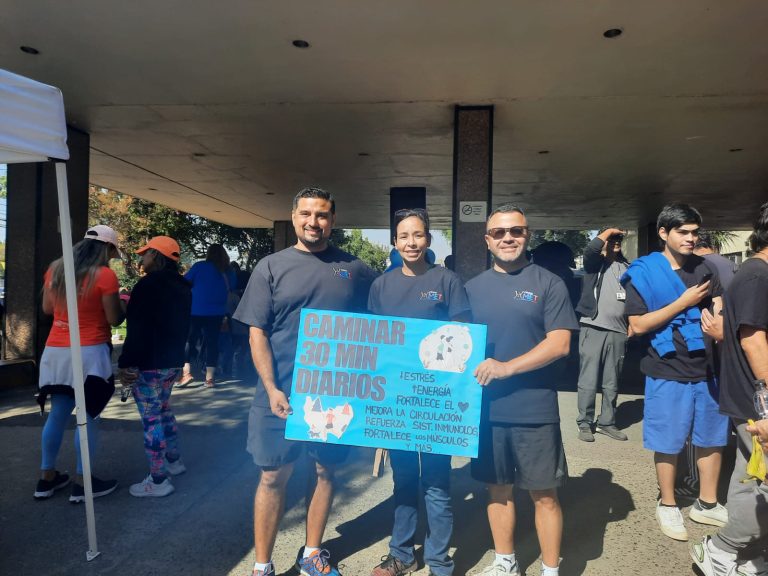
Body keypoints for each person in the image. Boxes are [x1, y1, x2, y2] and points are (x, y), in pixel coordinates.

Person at [232, 187, 377, 576]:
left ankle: (312, 553)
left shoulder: (355, 269)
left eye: (322, 214)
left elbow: (384, 324)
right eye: (307, 214)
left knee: (325, 471)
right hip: (279, 392)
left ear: (333, 220)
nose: (314, 222)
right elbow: (257, 333)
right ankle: (262, 565)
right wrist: (272, 387)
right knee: (272, 475)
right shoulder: (271, 267)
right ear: (294, 216)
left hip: (333, 395)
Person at [465, 204, 579, 576]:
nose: (508, 238)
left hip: (534, 409)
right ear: (487, 240)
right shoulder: (471, 289)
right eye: (499, 232)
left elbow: (560, 344)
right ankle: (505, 561)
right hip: (486, 410)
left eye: (516, 231)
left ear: (527, 235)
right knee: (497, 490)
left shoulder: (549, 283)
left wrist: (506, 368)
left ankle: (550, 568)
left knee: (544, 494)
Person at [367, 209, 471, 576]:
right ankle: (402, 554)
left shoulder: (447, 280)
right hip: (397, 401)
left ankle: (440, 561)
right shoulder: (381, 286)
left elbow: (463, 341)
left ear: (428, 239)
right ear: (394, 242)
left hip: (437, 401)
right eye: (404, 236)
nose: (411, 242)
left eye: (418, 235)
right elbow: (373, 345)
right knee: (404, 480)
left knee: (437, 484)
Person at [622, 203, 729, 542]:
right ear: (663, 233)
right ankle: (668, 503)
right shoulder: (643, 272)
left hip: (708, 368)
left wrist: (720, 325)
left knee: (712, 438)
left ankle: (707, 503)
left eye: (694, 232)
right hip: (666, 367)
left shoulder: (705, 268)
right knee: (668, 441)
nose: (690, 238)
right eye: (683, 232)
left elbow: (719, 307)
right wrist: (683, 303)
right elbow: (638, 325)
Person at [690, 202, 768, 576]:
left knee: (750, 477)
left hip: (751, 398)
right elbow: (753, 341)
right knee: (761, 483)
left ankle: (745, 555)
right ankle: (723, 547)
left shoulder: (755, 273)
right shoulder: (757, 276)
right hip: (758, 400)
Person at [33, 225, 124, 503]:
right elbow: (114, 319)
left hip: (55, 351)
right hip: (90, 352)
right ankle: (83, 482)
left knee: (58, 413)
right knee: (89, 415)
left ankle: (46, 477)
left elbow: (47, 309)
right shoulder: (105, 275)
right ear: (108, 248)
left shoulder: (56, 269)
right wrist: (122, 305)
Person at [117, 236, 192, 498]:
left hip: (149, 363)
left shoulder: (147, 285)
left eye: (146, 254)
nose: (142, 259)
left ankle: (158, 479)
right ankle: (174, 460)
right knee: (164, 410)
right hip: (171, 362)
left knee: (152, 419)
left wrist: (126, 363)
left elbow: (137, 329)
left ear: (157, 256)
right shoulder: (183, 287)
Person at [574, 228, 630, 442]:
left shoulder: (628, 267)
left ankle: (607, 422)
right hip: (593, 327)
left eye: (618, 238)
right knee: (588, 380)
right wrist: (609, 231)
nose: (615, 241)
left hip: (619, 331)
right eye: (611, 239)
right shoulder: (594, 264)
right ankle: (585, 423)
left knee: (611, 382)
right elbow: (590, 250)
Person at [180, 243, 232, 388]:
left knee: (189, 341)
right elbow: (232, 287)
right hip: (217, 312)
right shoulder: (227, 270)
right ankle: (210, 378)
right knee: (212, 343)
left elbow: (185, 282)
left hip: (196, 310)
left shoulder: (199, 266)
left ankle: (186, 373)